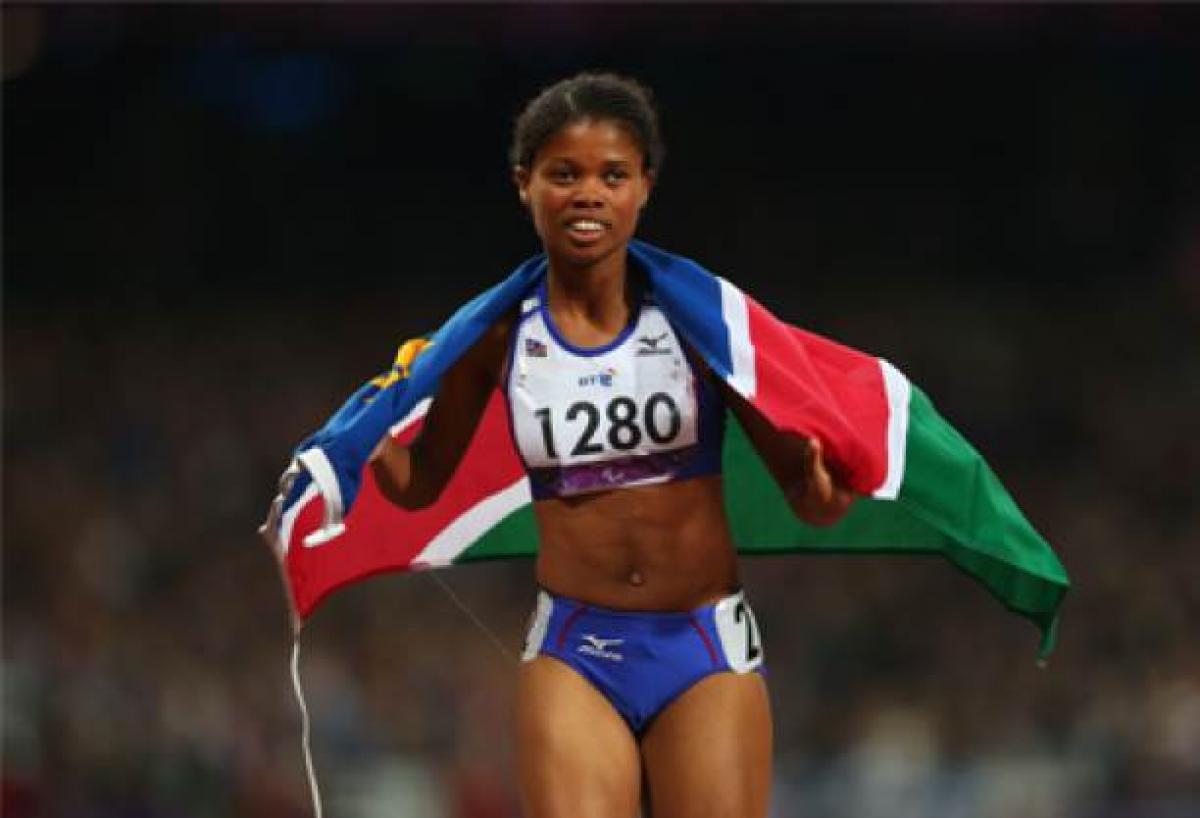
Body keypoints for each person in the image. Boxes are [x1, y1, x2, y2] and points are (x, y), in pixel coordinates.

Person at [367, 72, 854, 818]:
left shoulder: (703, 322)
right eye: (564, 174)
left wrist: (822, 491)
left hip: (703, 645)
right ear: (524, 184)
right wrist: (368, 444)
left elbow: (804, 490)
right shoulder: (494, 336)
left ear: (644, 188)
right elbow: (420, 484)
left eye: (612, 175)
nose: (588, 193)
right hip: (575, 647)